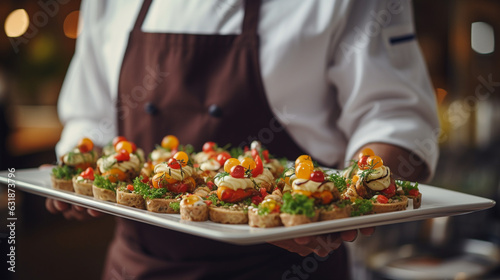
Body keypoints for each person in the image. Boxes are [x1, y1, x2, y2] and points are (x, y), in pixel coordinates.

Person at [46, 0, 439, 279]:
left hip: (287, 267)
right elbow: (89, 114)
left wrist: (357, 195)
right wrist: (79, 178)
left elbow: (394, 114)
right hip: (137, 265)